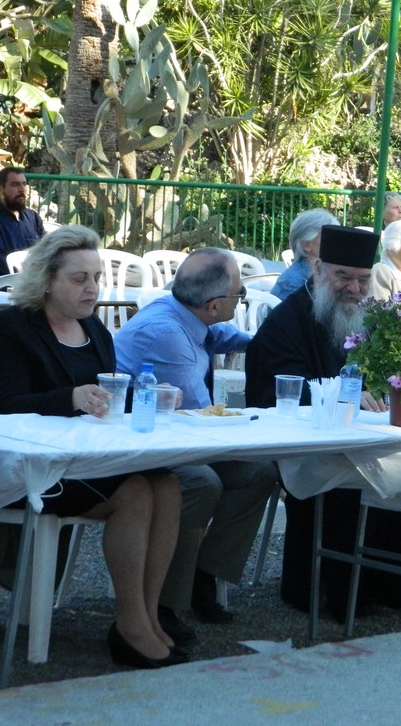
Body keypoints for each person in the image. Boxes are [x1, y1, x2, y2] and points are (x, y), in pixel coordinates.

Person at [0, 225, 185, 668]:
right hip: (35, 467)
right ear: (46, 280)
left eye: (96, 277)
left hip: (91, 457)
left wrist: (149, 397)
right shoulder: (10, 328)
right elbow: (3, 405)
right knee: (135, 492)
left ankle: (148, 615)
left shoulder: (95, 330)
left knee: (167, 485)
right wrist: (68, 398)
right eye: (79, 278)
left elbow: (106, 401)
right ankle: (130, 625)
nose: (92, 288)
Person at [115, 248, 278, 635]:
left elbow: (219, 336)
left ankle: (204, 573)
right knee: (203, 481)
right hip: (139, 445)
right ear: (213, 304)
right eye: (240, 294)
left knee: (259, 472)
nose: (242, 299)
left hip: (172, 438)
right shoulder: (167, 335)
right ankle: (164, 600)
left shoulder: (187, 314)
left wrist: (264, 343)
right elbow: (201, 418)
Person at [245, 226, 399, 617]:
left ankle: (384, 588)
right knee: (350, 479)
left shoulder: (368, 319)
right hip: (303, 445)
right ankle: (326, 592)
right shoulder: (287, 321)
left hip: (364, 437)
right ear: (318, 270)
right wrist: (342, 396)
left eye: (363, 280)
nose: (354, 289)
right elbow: (280, 393)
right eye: (343, 276)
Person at [0, 167, 46, 281]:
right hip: (5, 286)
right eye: (15, 185)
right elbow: (2, 264)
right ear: (1, 189)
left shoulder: (33, 217)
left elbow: (47, 250)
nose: (22, 189)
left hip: (36, 282)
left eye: (24, 184)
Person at [271, 208, 339, 300]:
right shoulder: (294, 284)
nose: (335, 242)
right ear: (306, 245)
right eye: (329, 237)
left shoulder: (323, 273)